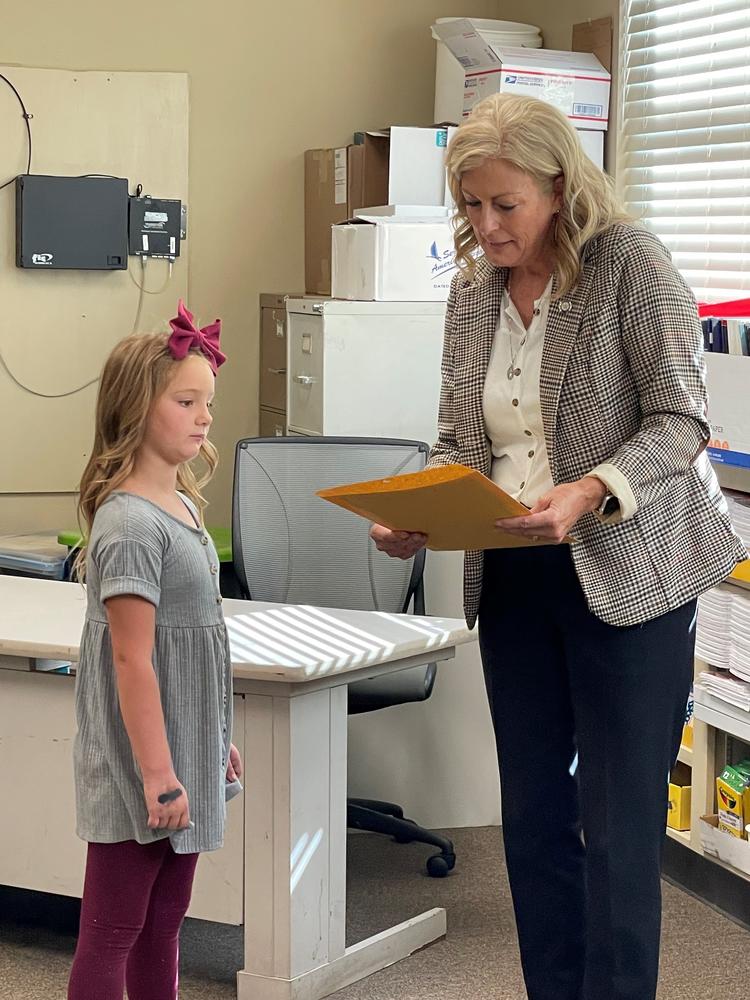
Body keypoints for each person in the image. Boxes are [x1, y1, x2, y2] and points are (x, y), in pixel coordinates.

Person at [370, 94, 748, 1000]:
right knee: (535, 821)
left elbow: (683, 418)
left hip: (629, 573)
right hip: (513, 573)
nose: (486, 226)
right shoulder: (472, 293)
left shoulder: (630, 266)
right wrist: (419, 508)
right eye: (470, 205)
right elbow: (462, 434)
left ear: (558, 187)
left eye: (505, 205)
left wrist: (592, 489)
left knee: (617, 830)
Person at [67, 301, 242, 1000]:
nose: (204, 417)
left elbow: (194, 646)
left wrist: (214, 737)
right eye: (186, 401)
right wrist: (160, 773)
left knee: (165, 925)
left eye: (208, 402)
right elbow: (132, 661)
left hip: (181, 751)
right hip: (141, 765)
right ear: (137, 410)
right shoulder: (131, 525)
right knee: (112, 933)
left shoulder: (185, 507)